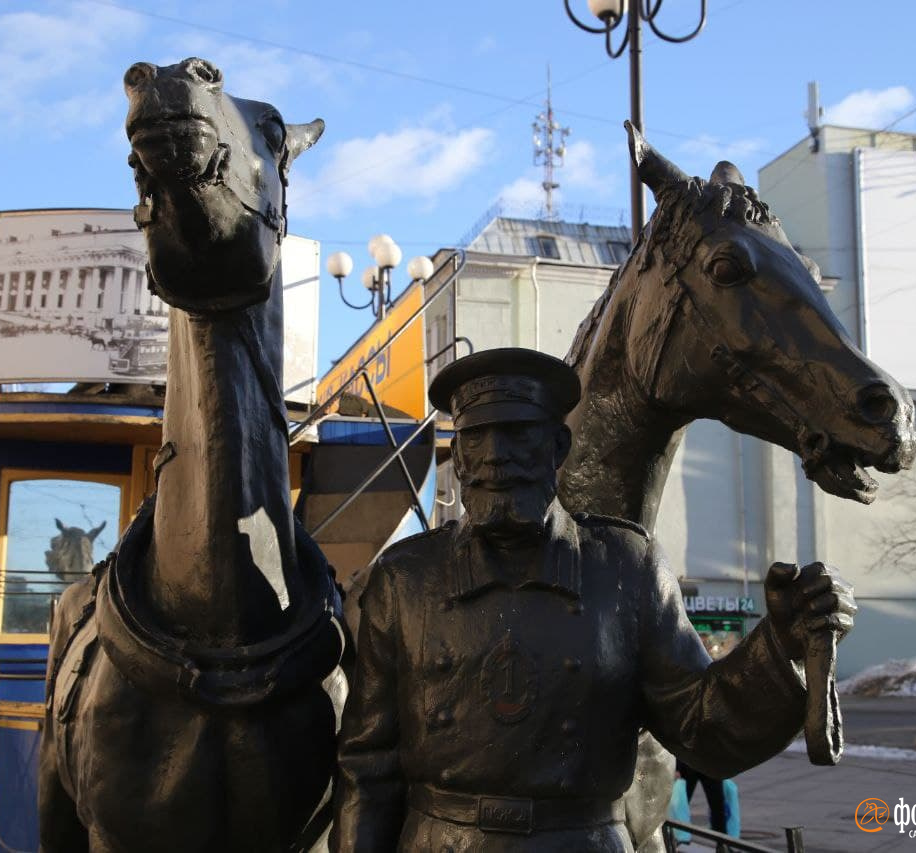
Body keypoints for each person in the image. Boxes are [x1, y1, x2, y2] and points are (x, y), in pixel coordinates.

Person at [331, 348, 857, 851]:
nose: (495, 455)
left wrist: (780, 640)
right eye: (476, 437)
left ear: (559, 447)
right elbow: (368, 764)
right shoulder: (405, 578)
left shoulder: (626, 566)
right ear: (459, 457)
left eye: (517, 434)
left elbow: (700, 724)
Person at [675, 759, 727, 835]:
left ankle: (722, 840)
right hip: (689, 763)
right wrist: (677, 768)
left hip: (710, 765)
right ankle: (677, 836)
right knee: (681, 804)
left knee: (717, 805)